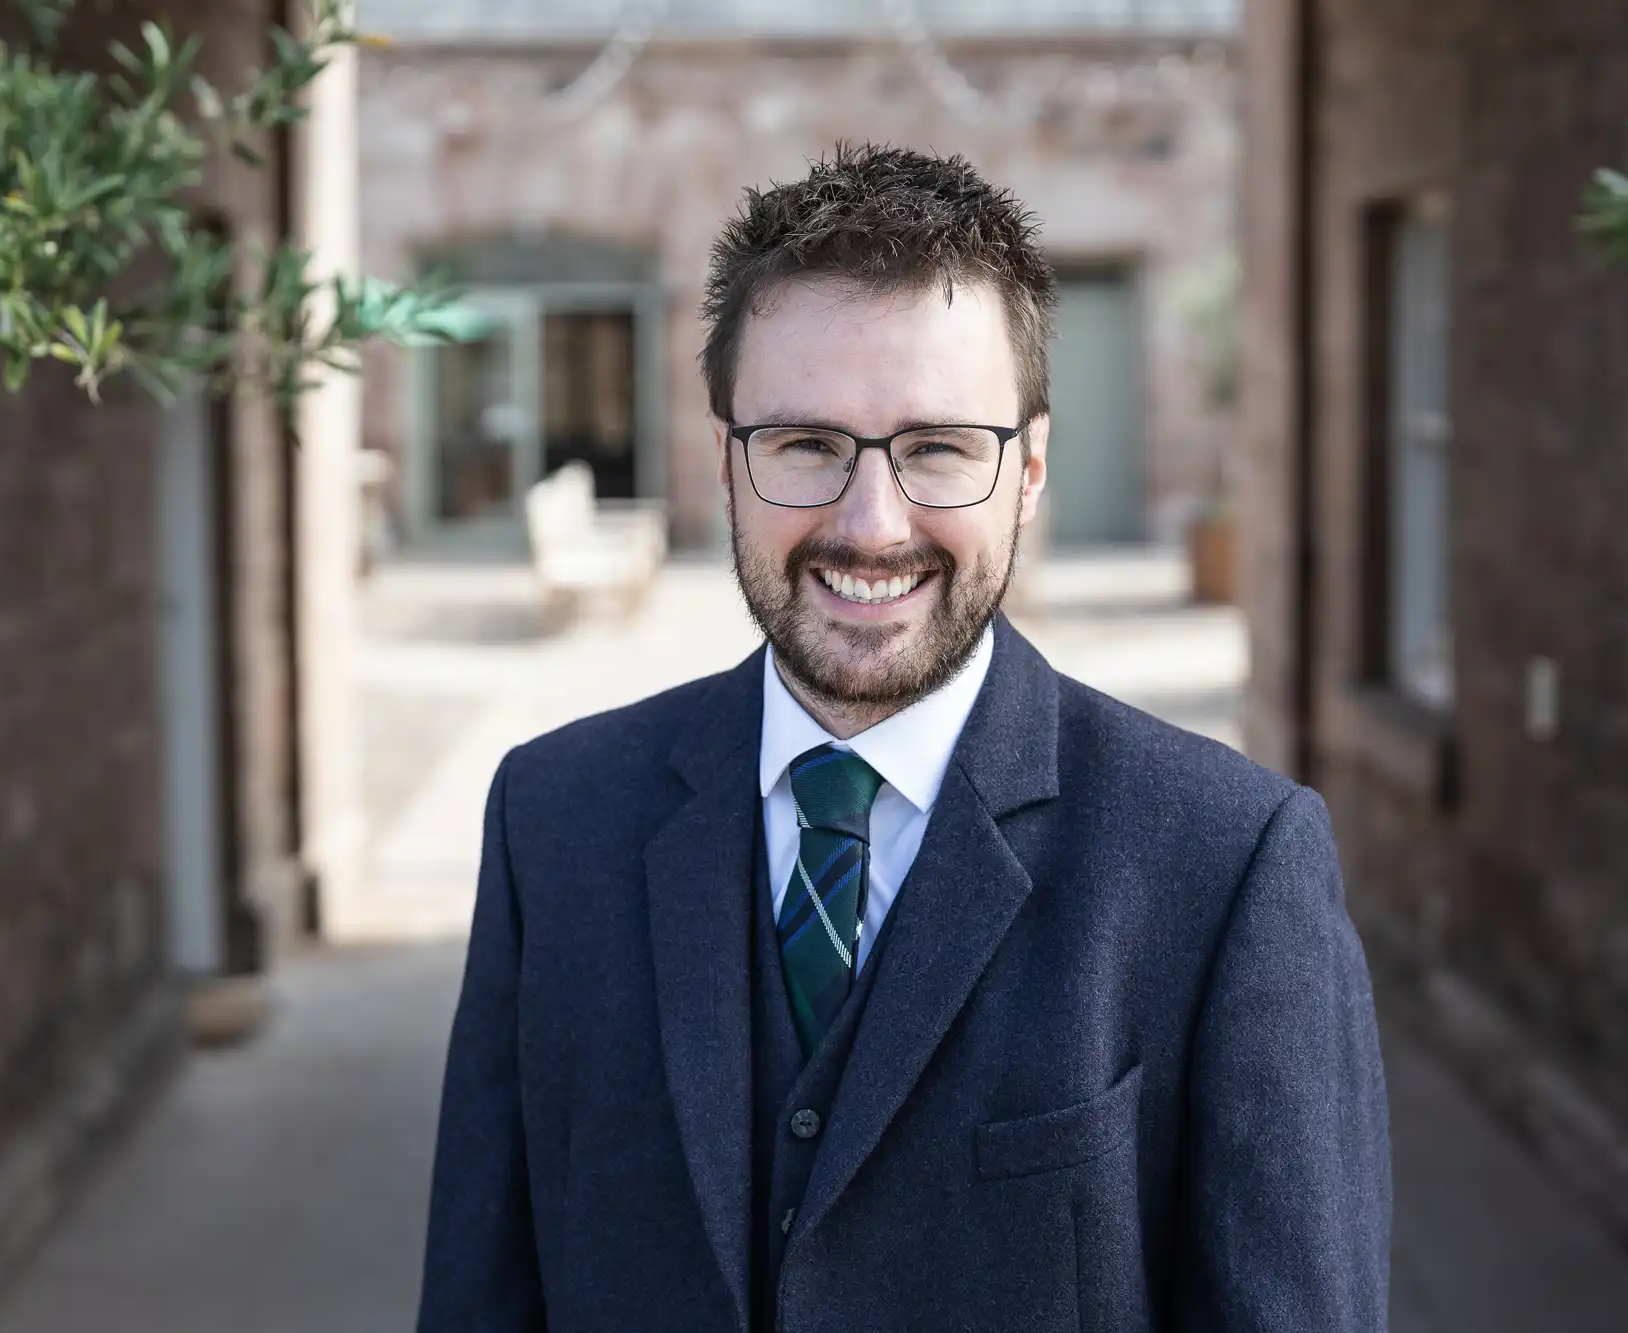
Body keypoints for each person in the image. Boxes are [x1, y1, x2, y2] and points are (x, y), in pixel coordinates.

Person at [416, 144, 1391, 1333]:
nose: (870, 525)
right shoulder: (552, 821)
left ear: (1026, 471)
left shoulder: (1226, 864)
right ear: (727, 463)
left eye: (936, 447)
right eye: (805, 445)